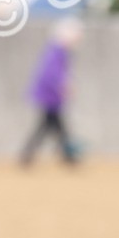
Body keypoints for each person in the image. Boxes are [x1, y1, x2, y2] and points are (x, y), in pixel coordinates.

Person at [19, 20, 83, 165]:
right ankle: (68, 157)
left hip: (51, 97)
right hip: (50, 97)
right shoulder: (57, 51)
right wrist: (63, 86)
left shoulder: (59, 51)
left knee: (51, 127)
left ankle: (67, 157)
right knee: (52, 127)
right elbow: (52, 74)